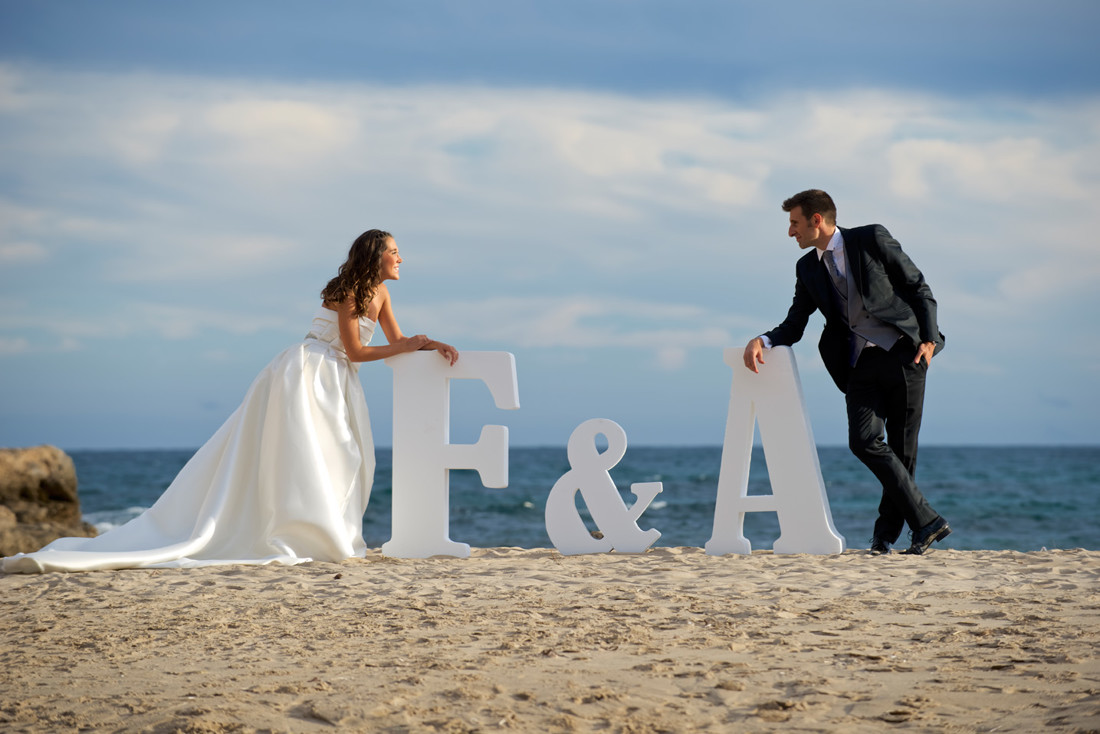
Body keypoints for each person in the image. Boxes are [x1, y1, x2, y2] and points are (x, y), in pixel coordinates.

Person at [2, 229, 458, 573]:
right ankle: (303, 534)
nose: (401, 258)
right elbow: (358, 351)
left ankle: (327, 532)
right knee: (309, 452)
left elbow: (399, 339)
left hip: (339, 378)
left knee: (345, 454)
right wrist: (404, 346)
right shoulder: (346, 292)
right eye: (395, 251)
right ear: (375, 256)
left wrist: (433, 344)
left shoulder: (382, 292)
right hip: (307, 372)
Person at [743, 190, 950, 555]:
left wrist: (929, 340)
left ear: (816, 220)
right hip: (859, 364)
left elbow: (918, 286)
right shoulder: (807, 268)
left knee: (903, 451)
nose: (791, 232)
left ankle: (886, 536)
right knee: (864, 441)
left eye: (794, 223)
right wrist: (764, 339)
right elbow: (796, 323)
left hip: (904, 353)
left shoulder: (870, 238)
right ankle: (927, 521)